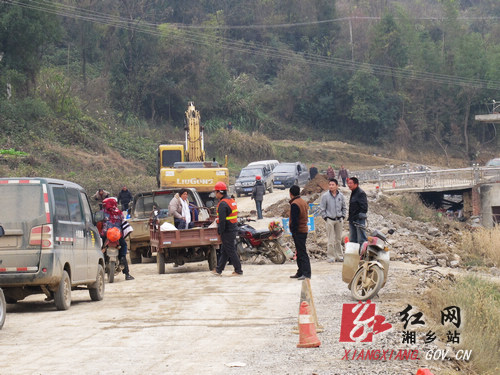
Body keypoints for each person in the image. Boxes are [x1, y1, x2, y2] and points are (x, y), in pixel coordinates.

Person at [212, 181, 242, 276]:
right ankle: (219, 269)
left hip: (227, 230)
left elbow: (222, 220)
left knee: (230, 250)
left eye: (215, 192)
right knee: (225, 250)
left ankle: (238, 270)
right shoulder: (231, 201)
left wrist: (220, 231)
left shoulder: (222, 204)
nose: (215, 194)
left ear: (219, 192)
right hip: (233, 228)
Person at [99, 197, 134, 280]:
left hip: (105, 235)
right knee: (124, 247)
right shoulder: (119, 212)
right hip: (117, 235)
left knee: (100, 248)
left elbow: (98, 222)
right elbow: (124, 223)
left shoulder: (102, 213)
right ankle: (127, 274)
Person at [320, 178, 347, 262]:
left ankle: (339, 256)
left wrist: (343, 216)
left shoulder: (341, 196)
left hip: (339, 220)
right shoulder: (325, 196)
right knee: (331, 240)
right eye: (330, 185)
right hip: (330, 220)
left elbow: (344, 207)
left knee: (338, 239)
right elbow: (322, 209)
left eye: (333, 185)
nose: (331, 186)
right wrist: (326, 218)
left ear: (337, 186)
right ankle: (331, 257)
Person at [289, 185, 311, 280]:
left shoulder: (295, 204)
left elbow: (295, 220)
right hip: (303, 229)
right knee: (299, 251)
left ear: (290, 194)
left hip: (299, 231)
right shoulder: (303, 202)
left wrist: (293, 231)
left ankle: (306, 273)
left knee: (302, 252)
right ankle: (300, 271)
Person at [347, 177, 368, 244]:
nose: (349, 185)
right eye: (348, 183)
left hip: (359, 219)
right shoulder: (353, 192)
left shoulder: (360, 193)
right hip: (352, 219)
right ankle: (354, 253)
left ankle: (362, 253)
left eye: (350, 183)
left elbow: (364, 207)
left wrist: (359, 216)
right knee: (353, 238)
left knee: (361, 238)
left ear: (356, 184)